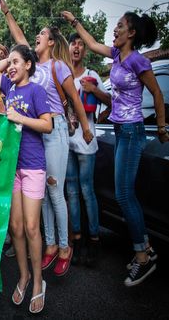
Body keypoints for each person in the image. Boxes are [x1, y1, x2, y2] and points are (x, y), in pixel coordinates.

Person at [62, 10, 169, 286]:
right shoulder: (118, 56)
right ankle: (144, 248)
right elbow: (94, 43)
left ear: (131, 33)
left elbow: (157, 93)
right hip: (122, 131)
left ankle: (143, 258)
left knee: (123, 194)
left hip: (134, 131)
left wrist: (160, 126)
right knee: (125, 193)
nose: (115, 29)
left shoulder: (137, 60)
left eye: (120, 26)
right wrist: (75, 22)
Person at [0, 0, 93, 277]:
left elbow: (75, 98)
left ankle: (65, 247)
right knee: (42, 193)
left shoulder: (57, 66)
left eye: (41, 34)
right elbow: (18, 39)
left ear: (51, 42)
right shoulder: (32, 67)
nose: (36, 37)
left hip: (55, 129)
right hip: (36, 131)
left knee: (54, 189)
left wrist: (87, 127)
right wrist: (7, 14)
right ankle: (50, 244)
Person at [0, 44, 52, 313]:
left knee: (30, 227)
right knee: (15, 228)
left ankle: (39, 282)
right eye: (10, 63)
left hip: (33, 167)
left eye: (17, 62)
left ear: (29, 64)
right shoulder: (9, 88)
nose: (11, 67)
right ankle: (24, 276)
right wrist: (10, 58)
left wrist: (20, 118)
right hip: (11, 168)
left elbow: (47, 125)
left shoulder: (36, 90)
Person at [66, 33, 111, 266]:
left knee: (87, 191)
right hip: (67, 143)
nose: (76, 47)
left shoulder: (92, 76)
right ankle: (78, 239)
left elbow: (110, 102)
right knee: (71, 192)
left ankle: (94, 240)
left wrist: (93, 91)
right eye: (73, 43)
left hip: (86, 143)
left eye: (81, 45)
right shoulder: (63, 74)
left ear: (84, 51)